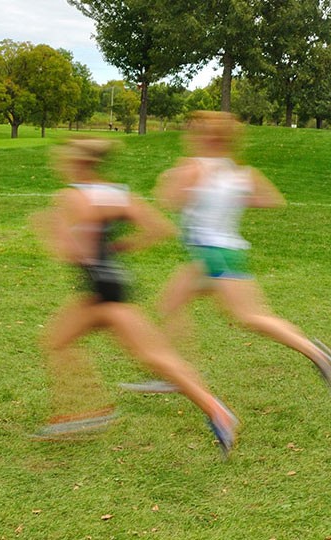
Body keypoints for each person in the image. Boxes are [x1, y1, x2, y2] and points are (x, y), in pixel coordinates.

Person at [31, 137, 239, 459]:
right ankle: (214, 410)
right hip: (114, 285)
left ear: (79, 163)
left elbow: (79, 252)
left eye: (64, 159)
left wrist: (53, 231)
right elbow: (160, 228)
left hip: (101, 294)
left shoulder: (72, 196)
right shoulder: (116, 193)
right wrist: (120, 247)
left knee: (61, 343)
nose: (60, 164)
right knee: (148, 356)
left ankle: (86, 412)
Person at [130, 111, 331, 394]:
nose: (190, 135)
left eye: (196, 131)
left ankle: (315, 352)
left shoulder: (193, 167)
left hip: (211, 254)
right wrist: (231, 199)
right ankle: (179, 374)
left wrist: (173, 180)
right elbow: (272, 200)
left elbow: (170, 200)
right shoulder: (238, 171)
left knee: (249, 317)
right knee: (171, 304)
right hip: (223, 252)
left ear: (207, 138)